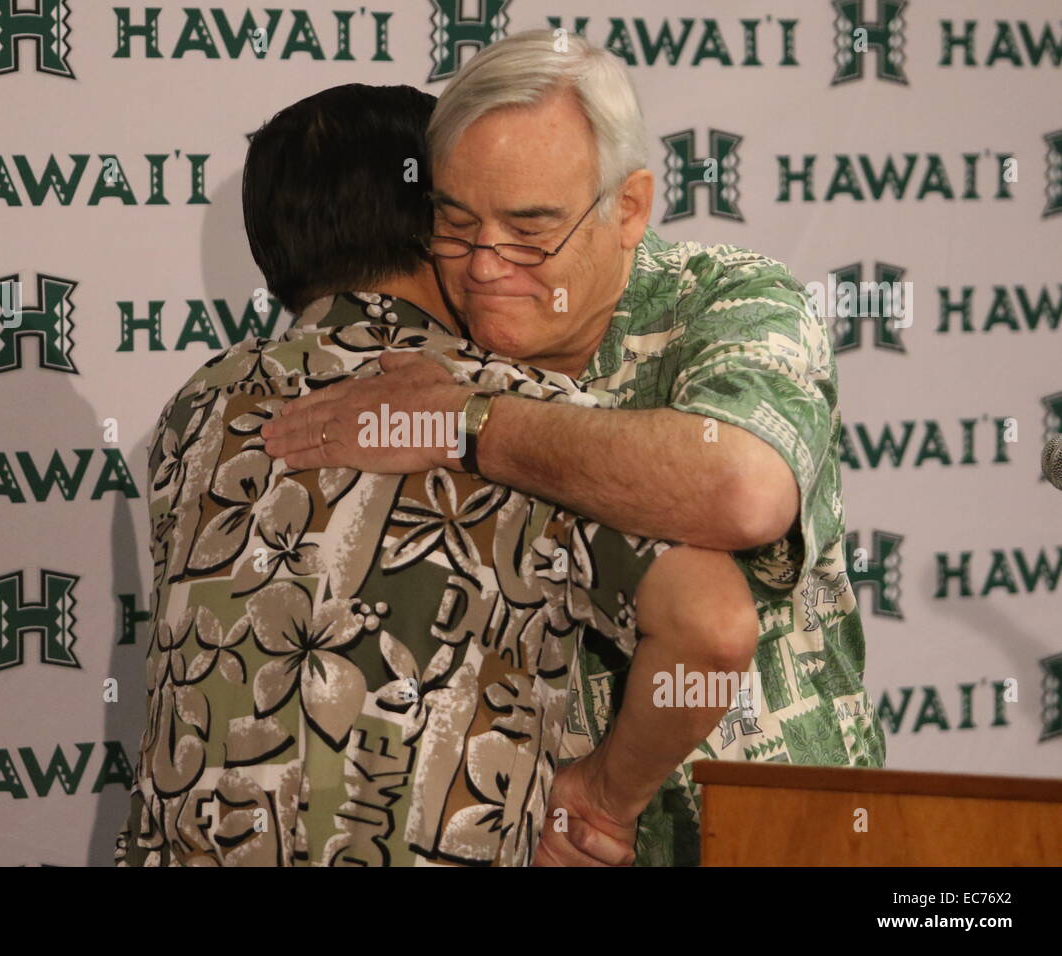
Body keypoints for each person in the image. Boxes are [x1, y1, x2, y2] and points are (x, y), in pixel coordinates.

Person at [263, 30, 887, 867]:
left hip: (780, 835)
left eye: (531, 231)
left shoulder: (734, 299)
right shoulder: (437, 345)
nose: (484, 266)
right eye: (455, 222)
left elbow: (743, 489)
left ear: (628, 207)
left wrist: (469, 424)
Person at [115, 83, 758, 867]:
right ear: (438, 222)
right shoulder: (514, 413)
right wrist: (603, 799)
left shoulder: (198, 412)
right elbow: (716, 631)